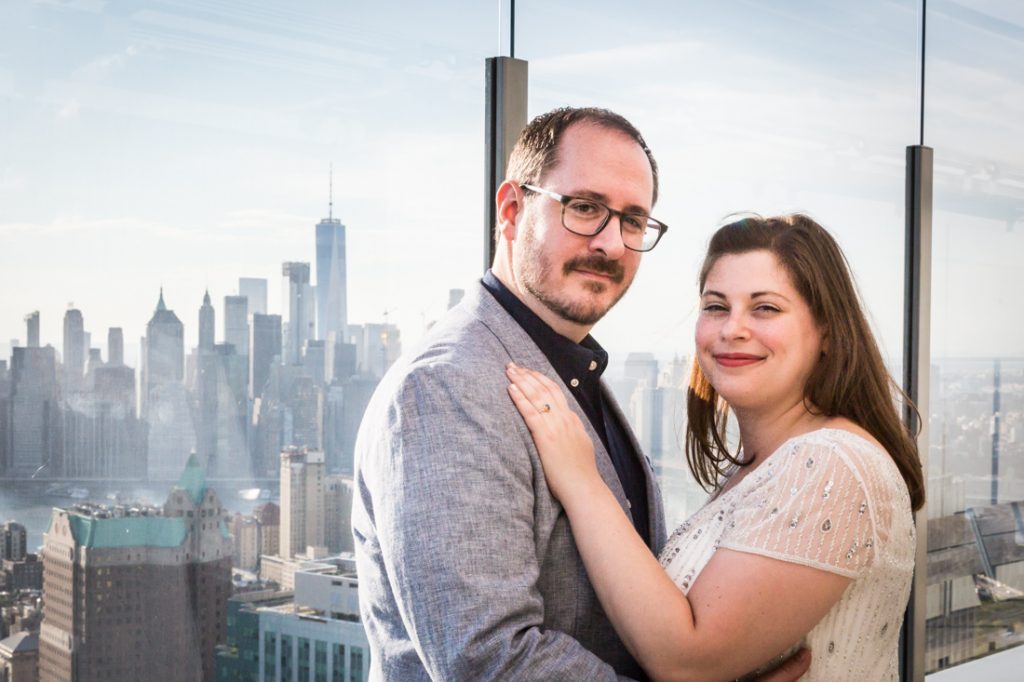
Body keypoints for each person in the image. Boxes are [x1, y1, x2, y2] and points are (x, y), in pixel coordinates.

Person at [352, 109, 811, 680]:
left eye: (633, 220)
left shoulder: (569, 370)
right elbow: (488, 659)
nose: (611, 243)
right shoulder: (448, 386)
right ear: (512, 211)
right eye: (586, 208)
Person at [507, 213, 925, 681]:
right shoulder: (766, 466)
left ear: (827, 331)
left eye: (765, 308)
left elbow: (687, 660)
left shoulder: (830, 464)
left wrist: (581, 483)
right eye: (716, 306)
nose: (733, 329)